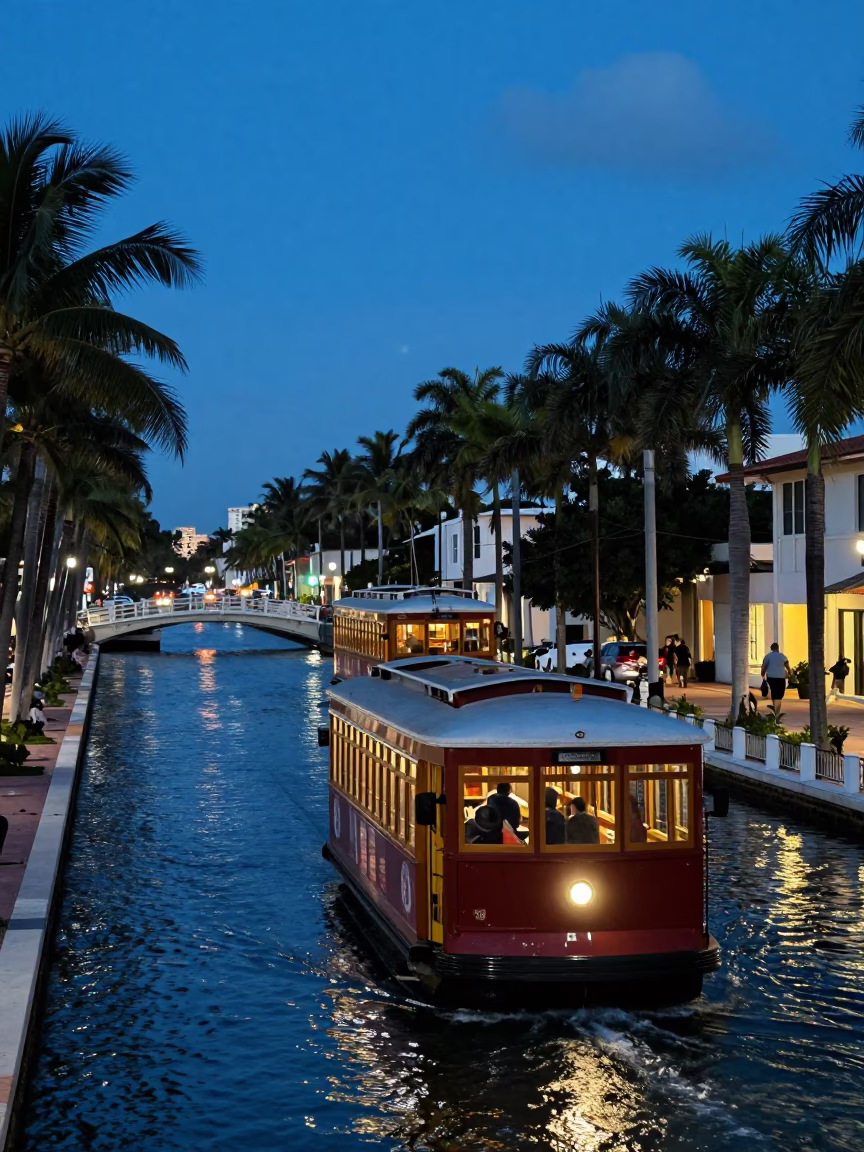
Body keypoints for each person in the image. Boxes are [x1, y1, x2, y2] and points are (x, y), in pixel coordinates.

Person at [760, 642, 791, 709]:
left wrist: (762, 674)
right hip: (781, 678)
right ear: (778, 648)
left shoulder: (768, 656)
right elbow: (787, 666)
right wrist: (790, 673)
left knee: (774, 693)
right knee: (780, 694)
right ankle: (777, 709)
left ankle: (775, 707)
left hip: (771, 677)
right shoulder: (782, 656)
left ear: (771, 648)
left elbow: (764, 667)